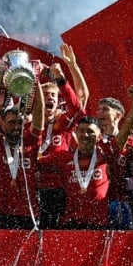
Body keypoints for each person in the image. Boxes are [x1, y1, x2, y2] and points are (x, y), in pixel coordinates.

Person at [38, 85, 133, 229]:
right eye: (81, 131)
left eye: (90, 132)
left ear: (99, 136)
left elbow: (126, 130)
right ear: (75, 133)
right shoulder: (63, 157)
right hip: (70, 224)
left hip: (100, 224)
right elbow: (33, 163)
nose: (85, 135)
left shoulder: (106, 153)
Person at [0, 65, 45, 230]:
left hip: (29, 212)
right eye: (11, 122)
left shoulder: (30, 142)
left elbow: (40, 112)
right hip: (2, 212)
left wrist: (36, 79)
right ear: (2, 123)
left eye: (19, 122)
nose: (16, 126)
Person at [35, 59, 87, 229]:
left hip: (60, 191)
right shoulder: (28, 127)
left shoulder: (63, 123)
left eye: (54, 96)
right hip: (33, 191)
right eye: (46, 96)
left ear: (58, 102)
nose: (50, 98)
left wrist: (61, 81)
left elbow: (79, 111)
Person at [96, 96, 133, 229]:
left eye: (105, 109)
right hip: (98, 205)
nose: (99, 112)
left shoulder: (131, 142)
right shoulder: (93, 141)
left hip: (124, 204)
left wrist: (123, 183)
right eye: (99, 109)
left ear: (118, 116)